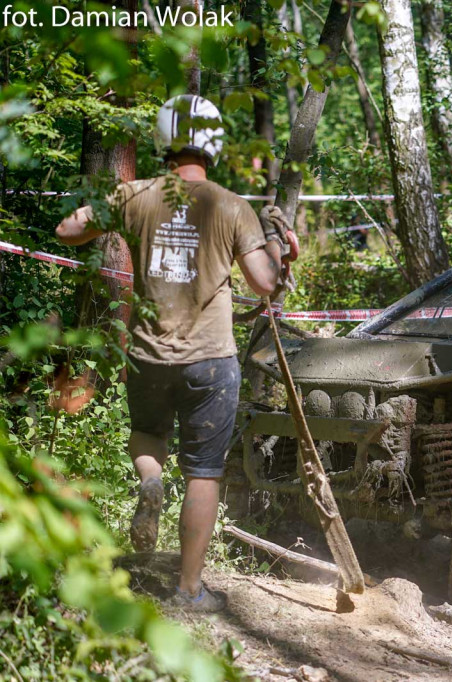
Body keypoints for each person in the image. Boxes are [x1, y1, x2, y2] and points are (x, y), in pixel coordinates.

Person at [56, 95, 299, 612]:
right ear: (214, 143)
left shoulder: (136, 194)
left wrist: (107, 208)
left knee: (147, 436)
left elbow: (68, 230)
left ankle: (150, 480)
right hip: (210, 361)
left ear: (163, 139)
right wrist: (281, 249)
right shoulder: (231, 205)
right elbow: (264, 284)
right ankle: (190, 590)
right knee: (203, 473)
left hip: (148, 355)